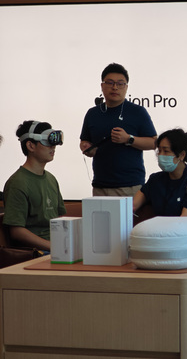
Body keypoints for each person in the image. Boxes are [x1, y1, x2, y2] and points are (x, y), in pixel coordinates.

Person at [133, 129, 187, 254]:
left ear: (181, 155)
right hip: (164, 239)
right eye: (159, 151)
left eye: (166, 151)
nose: (161, 155)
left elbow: (184, 223)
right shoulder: (155, 179)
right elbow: (132, 206)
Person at [80, 63, 157, 196]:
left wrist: (129, 139)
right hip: (100, 185)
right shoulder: (92, 113)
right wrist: (87, 147)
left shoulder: (138, 112)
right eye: (110, 83)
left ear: (126, 87)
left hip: (130, 186)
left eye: (120, 83)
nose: (115, 87)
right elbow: (84, 140)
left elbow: (153, 142)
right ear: (102, 86)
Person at [2, 121, 66, 251]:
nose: (53, 147)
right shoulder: (17, 183)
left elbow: (60, 219)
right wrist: (54, 247)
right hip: (36, 252)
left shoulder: (51, 179)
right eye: (47, 142)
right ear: (31, 146)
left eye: (54, 143)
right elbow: (16, 231)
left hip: (58, 248)